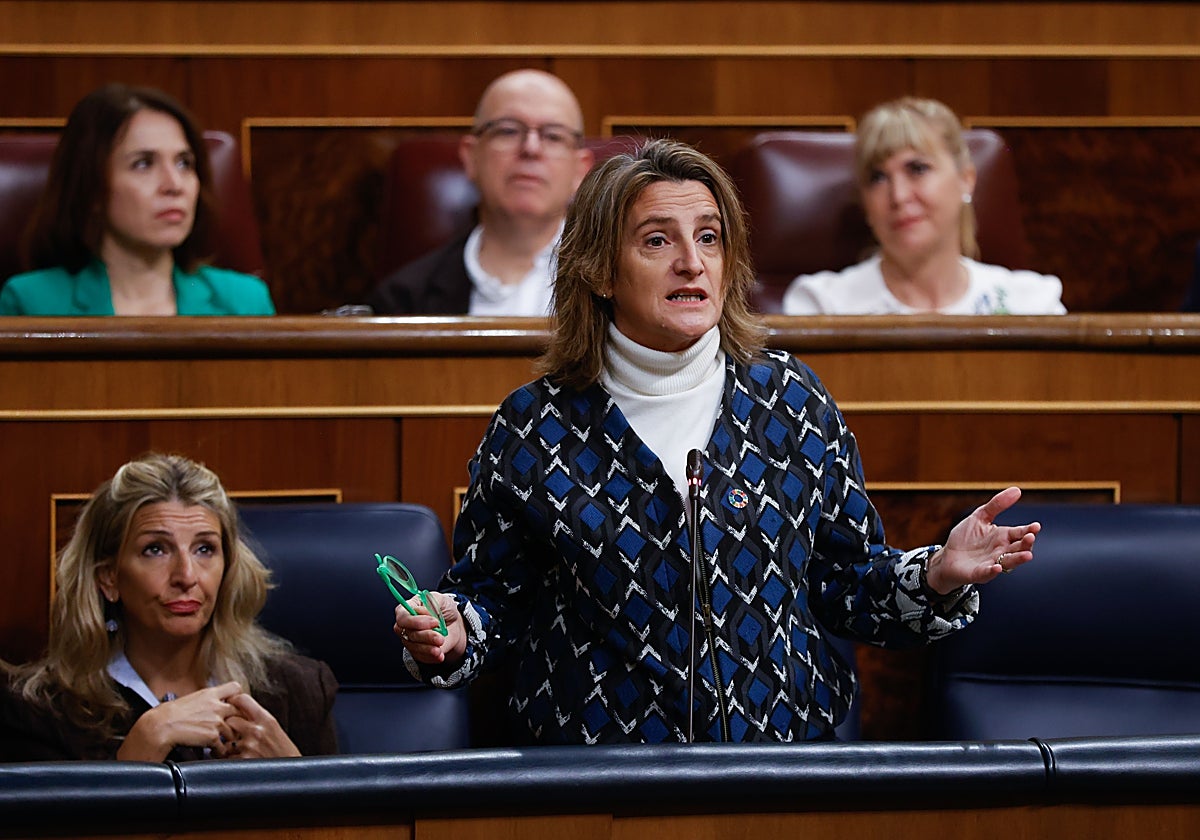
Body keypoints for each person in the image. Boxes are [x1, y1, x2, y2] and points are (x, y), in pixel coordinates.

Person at [390, 138, 1041, 744]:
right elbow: (490, 599)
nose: (692, 262)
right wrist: (454, 631)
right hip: (596, 781)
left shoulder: (789, 400)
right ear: (600, 271)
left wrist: (934, 574)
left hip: (779, 770)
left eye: (709, 237)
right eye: (656, 241)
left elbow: (846, 583)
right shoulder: (535, 425)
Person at [0, 453, 336, 761]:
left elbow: (343, 825)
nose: (186, 576)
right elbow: (56, 828)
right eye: (155, 550)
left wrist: (293, 772)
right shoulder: (41, 710)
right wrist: (143, 746)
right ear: (109, 578)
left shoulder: (297, 690)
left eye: (204, 549)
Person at [0, 83, 275, 316]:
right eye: (143, 164)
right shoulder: (32, 303)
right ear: (93, 187)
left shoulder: (245, 301)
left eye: (184, 163)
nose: (174, 185)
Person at [782, 97, 1065, 315]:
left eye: (917, 169)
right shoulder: (821, 307)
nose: (898, 196)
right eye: (877, 177)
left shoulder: (1032, 305)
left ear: (966, 180)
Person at [366, 69, 594, 316]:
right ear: (471, 157)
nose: (531, 148)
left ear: (580, 170)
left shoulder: (615, 283)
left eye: (553, 136)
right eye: (508, 130)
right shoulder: (404, 300)